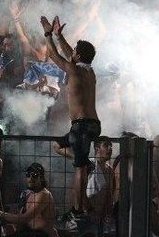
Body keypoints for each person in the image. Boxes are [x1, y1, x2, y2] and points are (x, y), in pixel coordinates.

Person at [41, 15, 100, 219]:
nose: (72, 52)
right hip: (91, 124)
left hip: (81, 126)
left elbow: (54, 55)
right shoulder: (89, 72)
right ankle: (85, 163)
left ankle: (78, 209)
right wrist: (59, 35)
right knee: (58, 146)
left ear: (78, 55)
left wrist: (48, 34)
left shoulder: (74, 71)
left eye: (74, 50)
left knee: (79, 169)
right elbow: (70, 54)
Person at [0, 163, 58, 237]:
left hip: (40, 234)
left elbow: (24, 218)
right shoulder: (29, 194)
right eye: (28, 175)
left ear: (41, 178)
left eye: (34, 175)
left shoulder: (44, 195)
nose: (31, 178)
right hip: (29, 232)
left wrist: (0, 214)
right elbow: (21, 219)